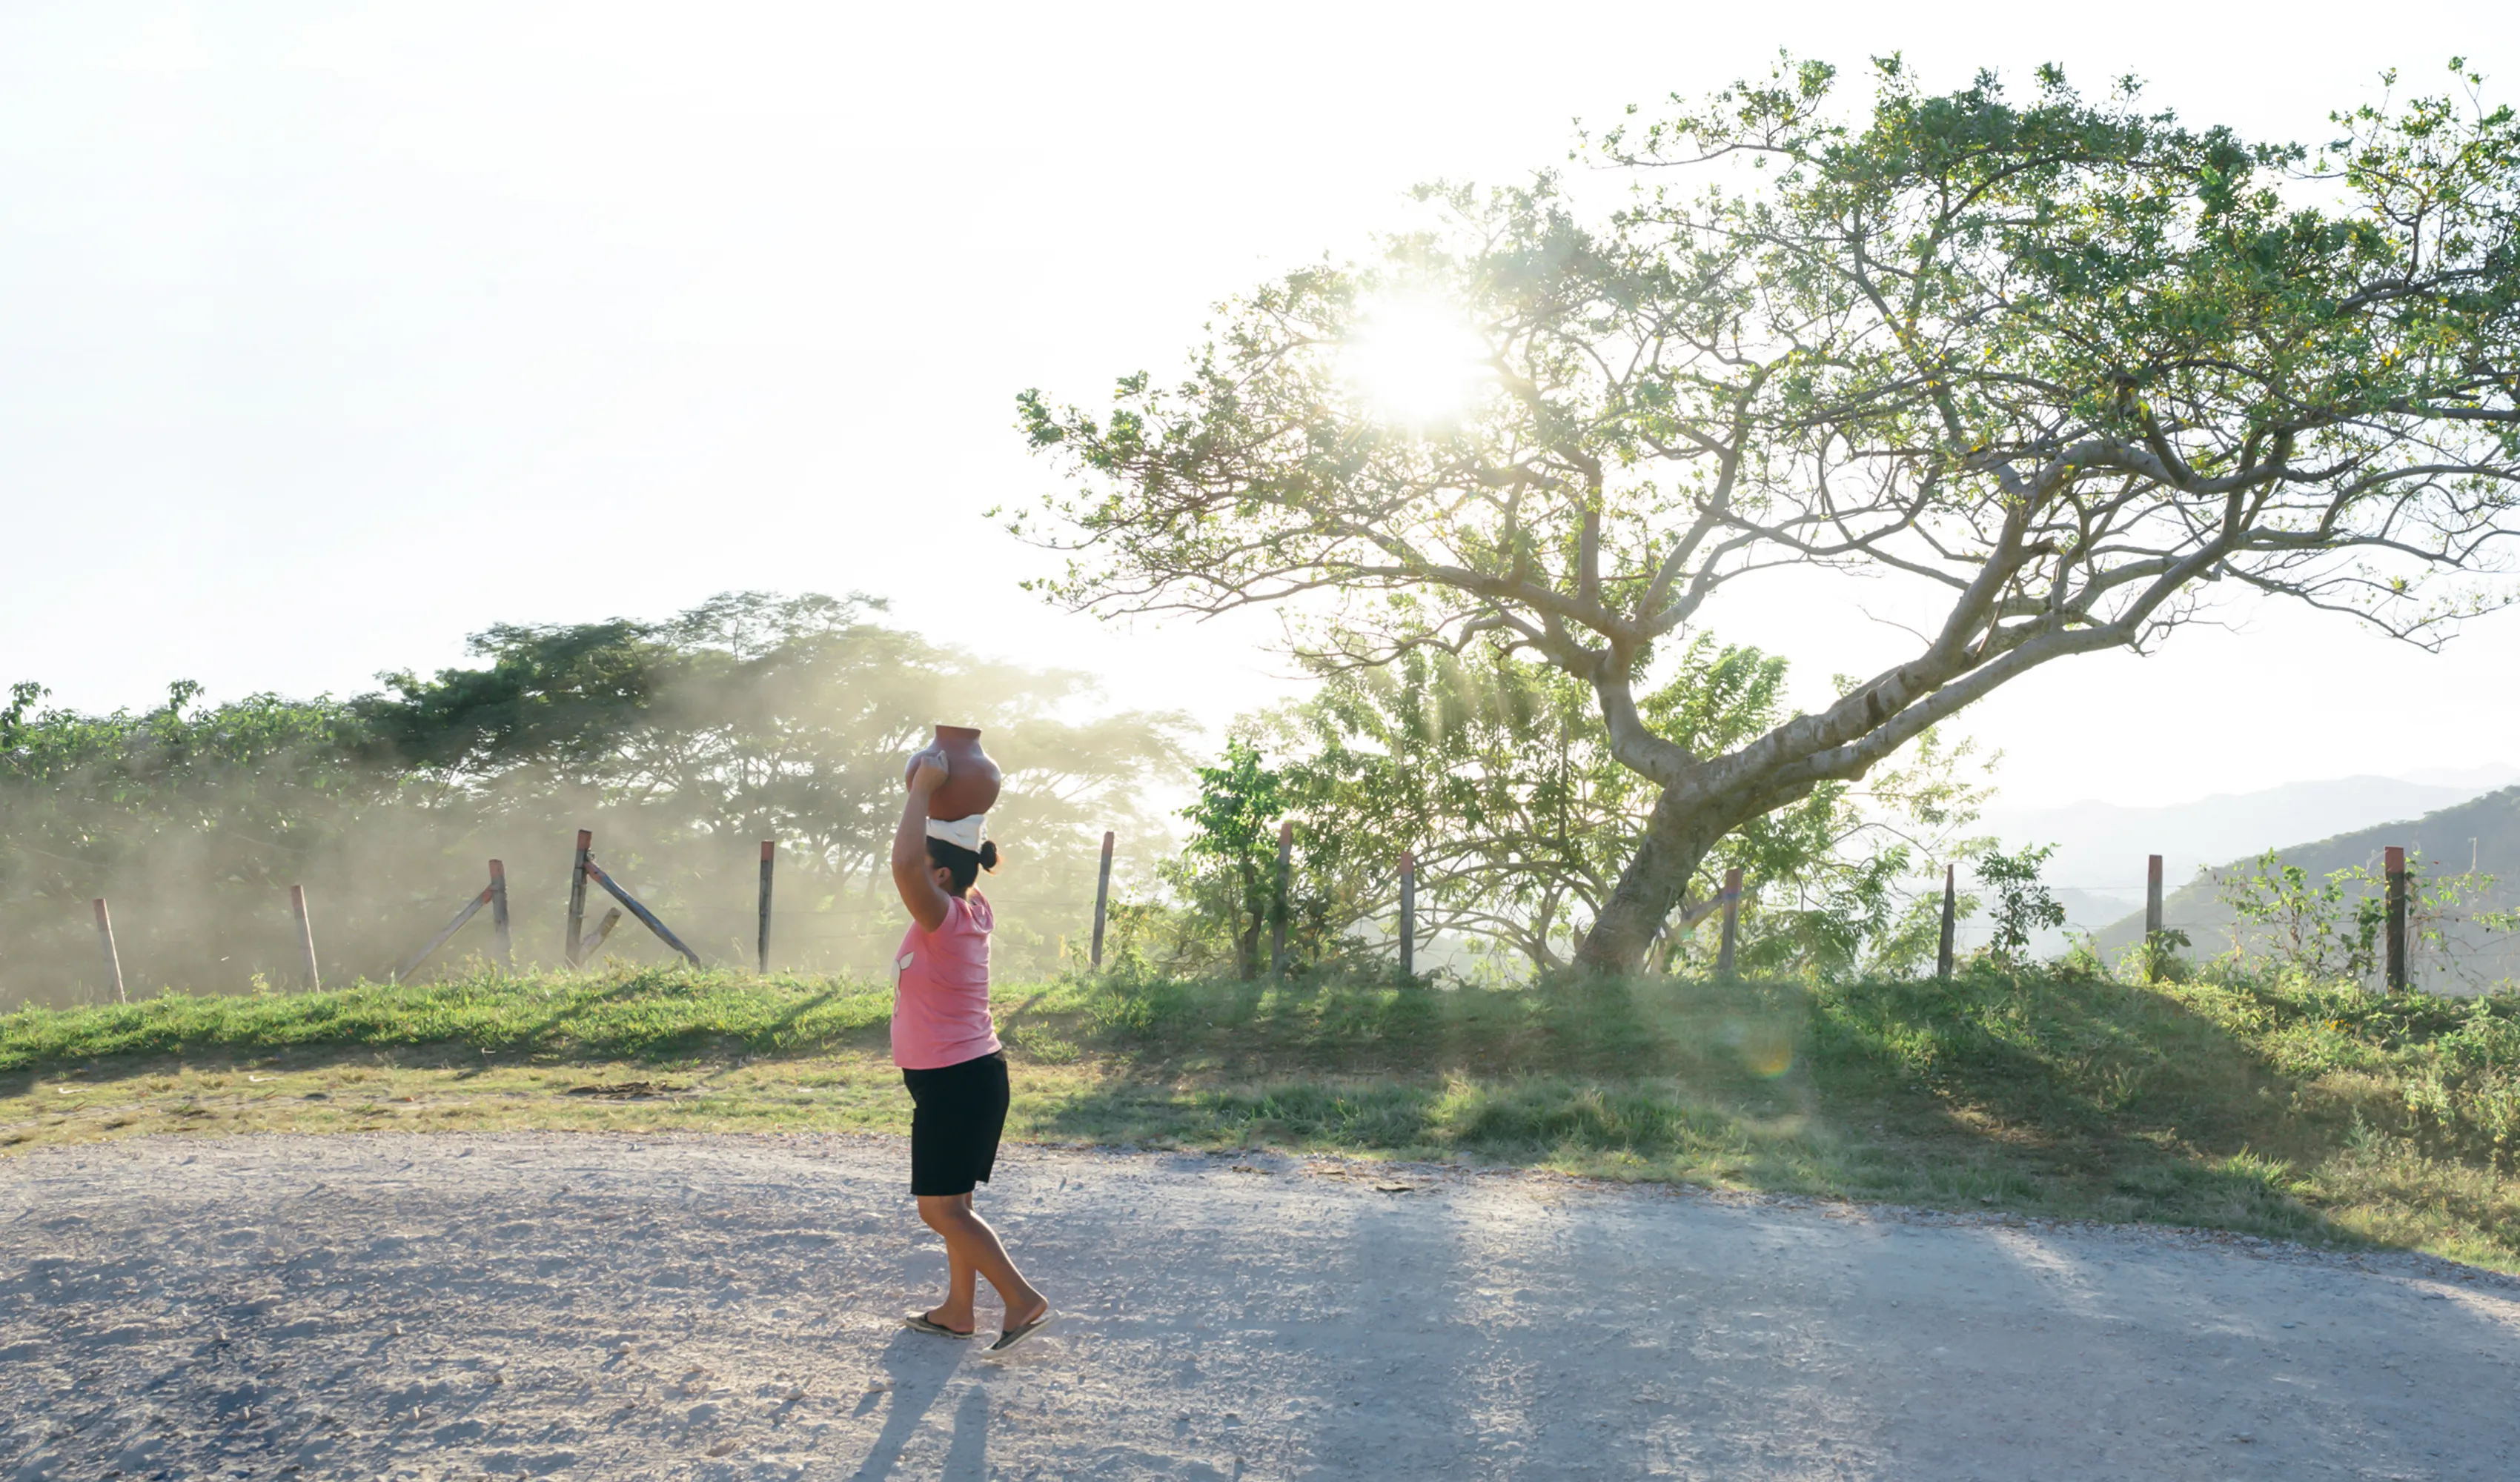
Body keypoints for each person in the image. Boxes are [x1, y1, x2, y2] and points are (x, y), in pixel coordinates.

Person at [889, 750, 1053, 1354]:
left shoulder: (946, 919)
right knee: (955, 1203)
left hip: (957, 1082)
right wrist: (942, 807)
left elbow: (905, 862)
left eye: (925, 874)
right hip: (964, 1078)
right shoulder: (970, 907)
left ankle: (1022, 1299)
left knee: (939, 1210)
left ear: (938, 880)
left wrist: (923, 791)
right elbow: (924, 863)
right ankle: (959, 1310)